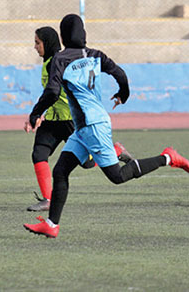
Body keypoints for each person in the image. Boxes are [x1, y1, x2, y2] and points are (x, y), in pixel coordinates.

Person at [23, 14, 189, 238]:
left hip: (92, 126)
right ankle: (52, 225)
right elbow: (120, 74)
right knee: (61, 170)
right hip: (85, 127)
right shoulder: (95, 54)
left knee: (118, 177)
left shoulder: (61, 59)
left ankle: (167, 157)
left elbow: (53, 92)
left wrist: (36, 113)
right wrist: (124, 94)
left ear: (63, 36)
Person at [24, 26, 131, 212]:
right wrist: (39, 115)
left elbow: (53, 93)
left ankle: (115, 150)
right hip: (52, 119)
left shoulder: (58, 62)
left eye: (37, 43)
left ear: (47, 43)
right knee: (38, 154)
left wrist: (36, 113)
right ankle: (48, 199)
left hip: (70, 119)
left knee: (88, 163)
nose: (35, 47)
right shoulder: (49, 61)